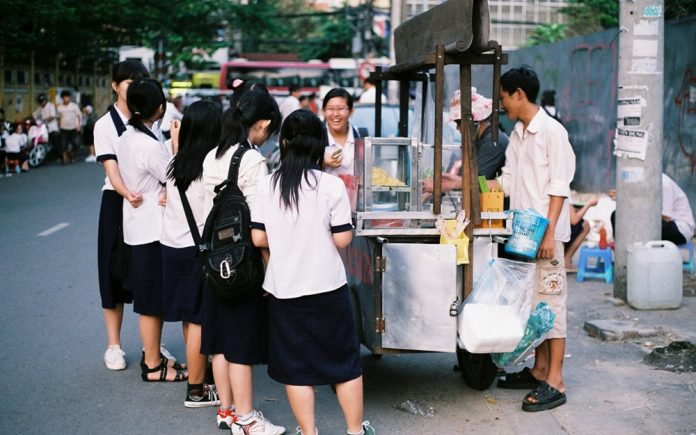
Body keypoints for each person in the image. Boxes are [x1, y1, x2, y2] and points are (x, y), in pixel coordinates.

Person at [250, 109, 375, 435]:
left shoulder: (267, 185)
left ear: (286, 142)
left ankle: (309, 432)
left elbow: (259, 237)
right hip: (327, 288)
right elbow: (342, 238)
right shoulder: (331, 186)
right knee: (345, 365)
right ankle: (354, 431)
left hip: (284, 289)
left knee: (297, 369)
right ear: (320, 145)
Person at [201, 82, 285, 435]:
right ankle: (248, 419)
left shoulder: (212, 155)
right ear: (263, 124)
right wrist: (269, 269)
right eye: (271, 130)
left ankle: (227, 411)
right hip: (243, 264)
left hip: (214, 260)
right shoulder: (252, 161)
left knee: (220, 340)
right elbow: (258, 231)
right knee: (240, 344)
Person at [493, 66, 575, 413]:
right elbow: (508, 183)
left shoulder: (551, 132)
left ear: (519, 94)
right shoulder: (518, 133)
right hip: (525, 233)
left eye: (503, 97)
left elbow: (559, 186)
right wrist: (463, 185)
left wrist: (550, 232)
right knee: (534, 305)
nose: (502, 105)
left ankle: (555, 380)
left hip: (547, 235)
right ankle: (540, 369)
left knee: (552, 305)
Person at [94, 59, 176, 371]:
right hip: (118, 200)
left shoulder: (153, 123)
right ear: (115, 85)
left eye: (139, 80)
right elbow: (111, 168)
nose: (134, 86)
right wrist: (125, 191)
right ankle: (113, 344)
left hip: (149, 203)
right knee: (113, 272)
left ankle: (151, 345)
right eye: (128, 81)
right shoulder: (106, 125)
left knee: (149, 275)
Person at [116, 77, 186, 382]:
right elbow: (176, 176)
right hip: (153, 230)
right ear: (159, 108)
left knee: (149, 298)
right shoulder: (149, 146)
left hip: (136, 226)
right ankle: (154, 364)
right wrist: (178, 144)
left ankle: (153, 356)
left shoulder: (126, 138)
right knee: (151, 300)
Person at [162, 100, 222, 406]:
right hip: (197, 252)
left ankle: (202, 377)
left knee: (190, 319)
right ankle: (197, 389)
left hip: (172, 249)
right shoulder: (211, 166)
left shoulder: (176, 162)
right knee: (199, 319)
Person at [422, 87, 509, 195]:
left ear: (475, 121)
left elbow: (472, 182)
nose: (458, 128)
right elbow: (462, 177)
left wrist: (446, 184)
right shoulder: (479, 140)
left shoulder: (493, 141)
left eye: (459, 122)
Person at [610, 173, 694, 246]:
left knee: (645, 224)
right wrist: (624, 197)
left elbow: (666, 218)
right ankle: (620, 248)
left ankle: (636, 250)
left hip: (679, 229)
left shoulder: (664, 184)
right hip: (661, 223)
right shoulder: (646, 183)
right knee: (618, 214)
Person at [322, 88, 361, 176]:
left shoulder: (361, 136)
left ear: (351, 111)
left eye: (340, 108)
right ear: (323, 111)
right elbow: (302, 166)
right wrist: (322, 161)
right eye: (331, 109)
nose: (335, 114)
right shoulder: (316, 137)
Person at [564, 197, 598, 271]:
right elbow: (574, 220)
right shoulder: (563, 189)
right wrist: (589, 204)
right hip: (556, 230)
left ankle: (566, 258)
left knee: (584, 223)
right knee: (585, 225)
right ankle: (566, 260)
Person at [57, 90, 82, 164]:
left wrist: (78, 125)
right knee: (63, 144)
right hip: (63, 128)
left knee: (76, 143)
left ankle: (72, 155)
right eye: (65, 97)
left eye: (68, 97)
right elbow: (59, 117)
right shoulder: (59, 107)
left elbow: (79, 115)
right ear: (62, 98)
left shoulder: (74, 106)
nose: (66, 99)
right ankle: (65, 159)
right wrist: (59, 126)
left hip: (74, 128)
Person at [33, 93, 60, 159]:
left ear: (45, 100)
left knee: (55, 141)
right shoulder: (40, 108)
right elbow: (34, 114)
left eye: (43, 101)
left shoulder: (51, 106)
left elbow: (52, 116)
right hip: (44, 127)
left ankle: (59, 155)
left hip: (52, 127)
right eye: (40, 102)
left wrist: (43, 120)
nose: (42, 103)